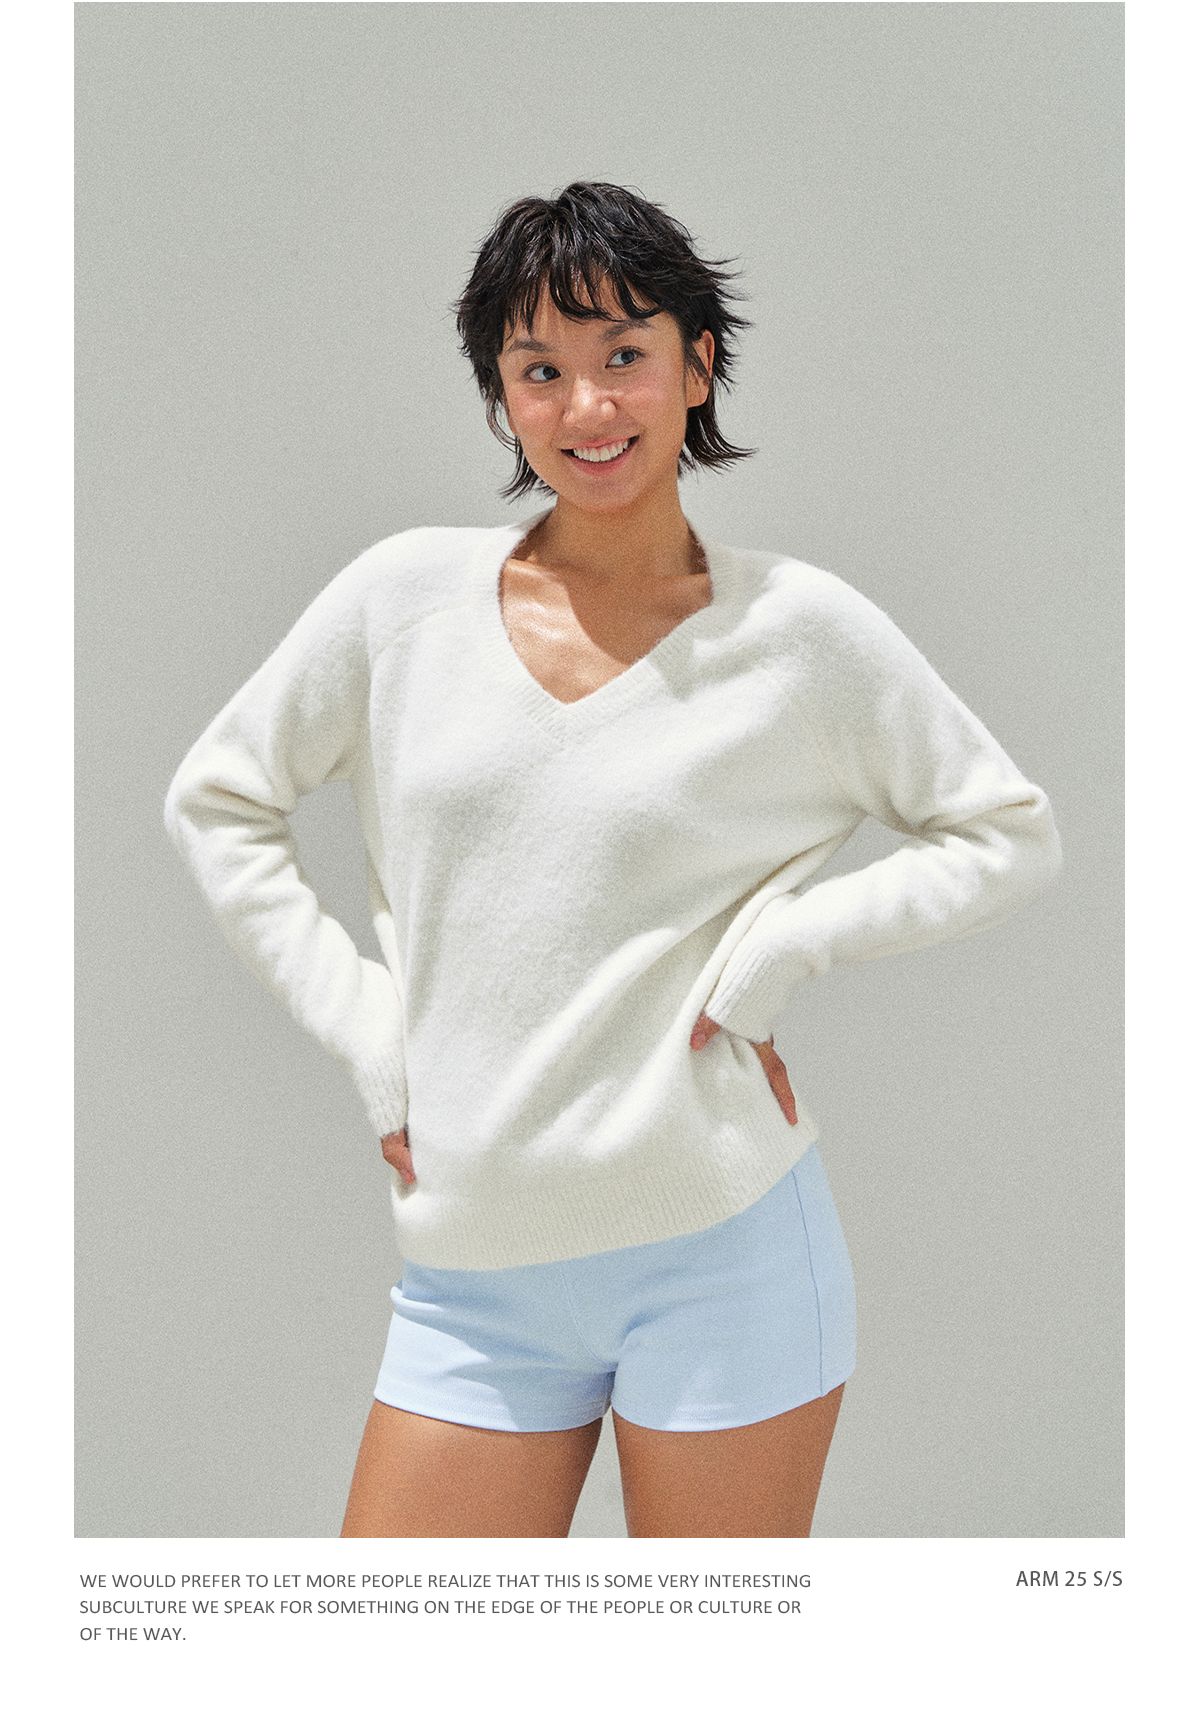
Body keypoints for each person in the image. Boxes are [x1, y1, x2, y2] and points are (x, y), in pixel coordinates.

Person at [165, 181, 1062, 1539]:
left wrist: (791, 944)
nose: (586, 405)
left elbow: (1008, 831)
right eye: (540, 369)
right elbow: (219, 797)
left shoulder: (796, 633)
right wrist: (363, 1026)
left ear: (698, 367)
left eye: (625, 355)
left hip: (726, 1252)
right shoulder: (401, 602)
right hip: (473, 1272)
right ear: (501, 397)